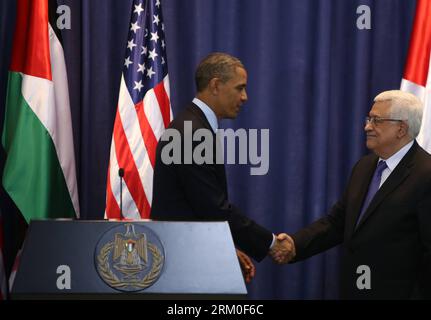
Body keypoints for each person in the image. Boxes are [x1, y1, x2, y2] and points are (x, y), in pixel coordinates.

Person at [274, 90, 431, 299]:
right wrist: (295, 244)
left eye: (377, 120)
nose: (367, 126)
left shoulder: (426, 174)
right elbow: (338, 223)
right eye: (368, 119)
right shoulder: (364, 167)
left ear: (401, 128)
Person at [150, 52, 293, 282]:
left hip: (187, 256)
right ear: (215, 85)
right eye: (240, 88)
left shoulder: (193, 126)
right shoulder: (192, 133)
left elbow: (197, 209)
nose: (245, 97)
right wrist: (271, 243)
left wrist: (225, 247)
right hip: (184, 269)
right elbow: (213, 208)